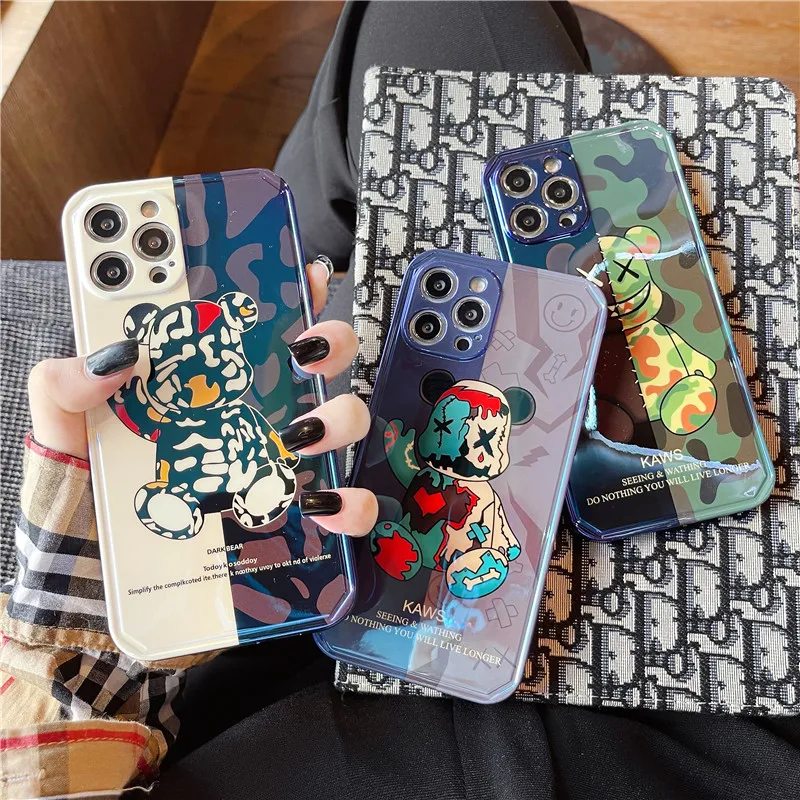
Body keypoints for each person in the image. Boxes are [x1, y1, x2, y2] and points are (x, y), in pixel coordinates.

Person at [2, 3, 798, 799]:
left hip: (287, 637)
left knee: (412, 75)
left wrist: (91, 575)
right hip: (683, 727)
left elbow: (58, 734)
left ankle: (317, 237)